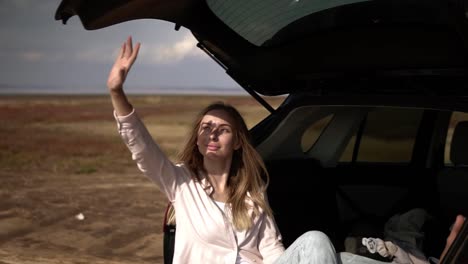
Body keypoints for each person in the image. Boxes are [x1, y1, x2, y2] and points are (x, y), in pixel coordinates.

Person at [107, 36, 466, 264]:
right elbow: (142, 148)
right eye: (205, 127)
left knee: (341, 258)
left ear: (237, 141)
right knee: (314, 240)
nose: (211, 132)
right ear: (198, 140)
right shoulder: (181, 183)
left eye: (222, 128)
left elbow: (274, 253)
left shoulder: (252, 194)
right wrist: (117, 93)